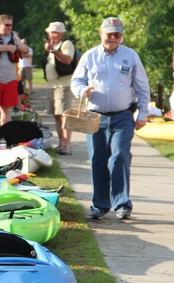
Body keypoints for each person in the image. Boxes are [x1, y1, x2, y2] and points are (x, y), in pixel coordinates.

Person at [71, 17, 150, 220]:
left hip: (123, 116)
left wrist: (142, 114)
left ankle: (122, 204)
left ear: (121, 36)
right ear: (101, 34)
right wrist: (82, 90)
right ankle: (100, 205)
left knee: (119, 157)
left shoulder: (131, 56)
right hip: (94, 117)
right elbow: (76, 80)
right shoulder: (90, 56)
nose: (113, 38)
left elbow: (142, 87)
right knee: (98, 159)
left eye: (117, 34)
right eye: (109, 34)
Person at [0, 14, 29, 130]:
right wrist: (8, 48)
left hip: (10, 80)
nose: (9, 28)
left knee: (7, 110)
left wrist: (17, 44)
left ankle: (6, 137)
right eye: (7, 25)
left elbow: (25, 50)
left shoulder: (13, 36)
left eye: (11, 25)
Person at [44, 21, 76, 155]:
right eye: (51, 32)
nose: (53, 34)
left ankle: (66, 145)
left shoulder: (66, 44)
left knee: (65, 116)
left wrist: (54, 51)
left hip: (63, 85)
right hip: (53, 85)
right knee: (57, 116)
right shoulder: (54, 45)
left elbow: (68, 59)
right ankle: (61, 143)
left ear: (62, 33)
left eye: (56, 32)